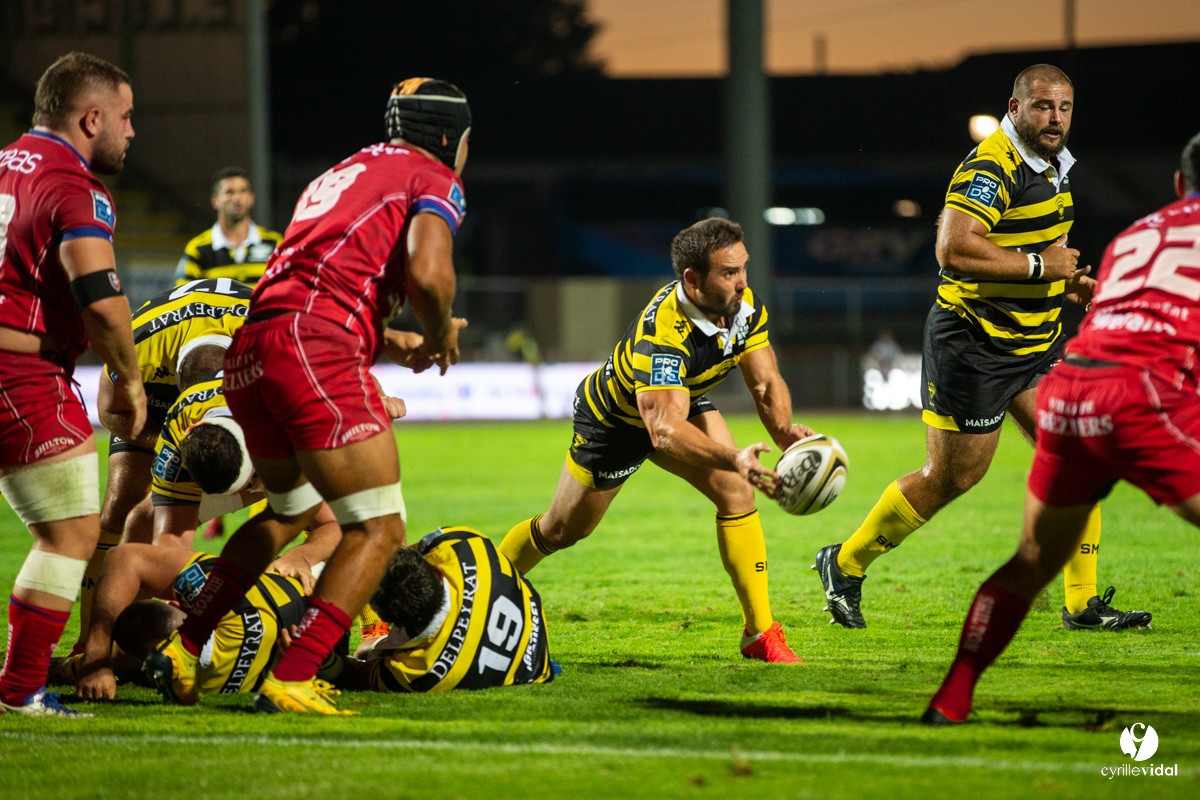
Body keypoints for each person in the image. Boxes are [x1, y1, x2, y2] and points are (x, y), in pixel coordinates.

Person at [143, 76, 471, 714]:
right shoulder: (433, 175)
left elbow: (319, 288)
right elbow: (431, 275)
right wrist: (440, 334)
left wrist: (401, 344)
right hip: (308, 345)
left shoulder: (344, 172)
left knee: (287, 511)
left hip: (253, 347)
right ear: (449, 136)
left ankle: (186, 648)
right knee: (379, 526)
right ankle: (296, 673)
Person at [813, 64, 1150, 632]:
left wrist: (1067, 282)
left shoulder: (1052, 164)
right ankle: (844, 564)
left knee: (1081, 456)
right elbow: (953, 248)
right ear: (1014, 109)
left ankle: (1081, 604)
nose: (1055, 118)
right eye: (1042, 106)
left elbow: (1033, 242)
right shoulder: (993, 165)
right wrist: (1043, 266)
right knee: (952, 478)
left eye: (1064, 108)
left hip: (1034, 343)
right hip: (975, 343)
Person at [923, 133, 1200, 725]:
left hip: (1072, 387)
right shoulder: (992, 166)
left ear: (1179, 186)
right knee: (953, 478)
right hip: (1138, 393)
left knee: (1030, 561)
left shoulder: (1139, 234)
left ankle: (953, 696)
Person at [500, 217, 812, 663]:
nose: (743, 283)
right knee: (562, 530)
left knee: (737, 492)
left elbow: (765, 384)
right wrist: (734, 456)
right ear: (693, 279)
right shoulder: (663, 336)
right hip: (617, 422)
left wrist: (785, 433)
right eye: (729, 273)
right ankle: (474, 585)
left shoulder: (743, 307)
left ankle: (760, 632)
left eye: (743, 269)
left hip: (679, 402)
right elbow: (663, 431)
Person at [0, 51, 146, 716]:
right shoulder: (73, 184)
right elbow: (98, 295)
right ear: (91, 118)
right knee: (70, 532)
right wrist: (129, 377)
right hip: (20, 370)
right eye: (125, 117)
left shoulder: (4, 163)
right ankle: (21, 689)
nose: (132, 132)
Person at [75, 278, 252, 648]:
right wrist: (170, 443)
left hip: (233, 394)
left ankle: (125, 644)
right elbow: (110, 411)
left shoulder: (266, 340)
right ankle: (93, 640)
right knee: (119, 509)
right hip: (149, 400)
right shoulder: (138, 345)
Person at [175, 166, 283, 288]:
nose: (236, 198)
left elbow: (287, 290)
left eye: (243, 191)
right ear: (215, 201)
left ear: (251, 198)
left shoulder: (275, 244)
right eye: (229, 192)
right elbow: (183, 297)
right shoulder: (198, 250)